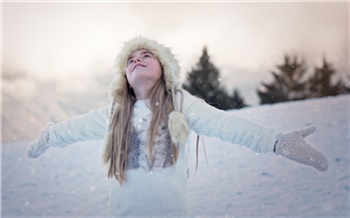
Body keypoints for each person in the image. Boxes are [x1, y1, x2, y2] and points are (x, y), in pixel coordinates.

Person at [27, 37, 329, 217]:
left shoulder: (181, 104)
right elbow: (75, 128)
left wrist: (276, 141)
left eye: (147, 55)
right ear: (124, 76)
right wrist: (50, 135)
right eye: (130, 59)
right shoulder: (115, 114)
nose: (137, 60)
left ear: (164, 69)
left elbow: (225, 125)